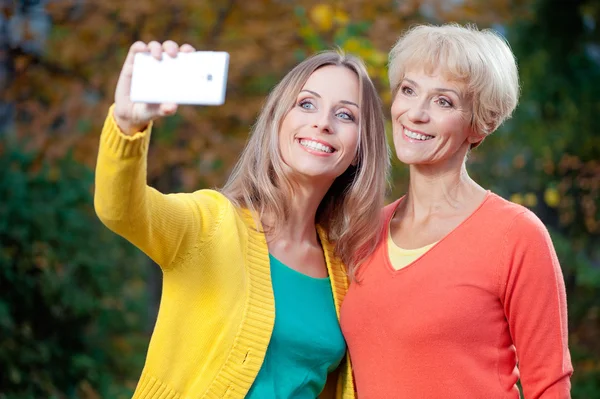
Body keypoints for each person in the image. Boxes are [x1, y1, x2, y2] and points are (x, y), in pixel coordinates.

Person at [94, 40, 389, 399]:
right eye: (306, 104)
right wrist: (127, 126)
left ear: (361, 148)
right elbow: (120, 209)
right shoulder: (211, 223)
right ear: (277, 122)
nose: (322, 123)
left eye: (345, 115)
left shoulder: (347, 269)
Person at [340, 23, 573, 398]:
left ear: (479, 126)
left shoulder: (516, 236)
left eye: (443, 101)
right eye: (408, 90)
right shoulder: (362, 233)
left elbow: (549, 386)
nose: (415, 113)